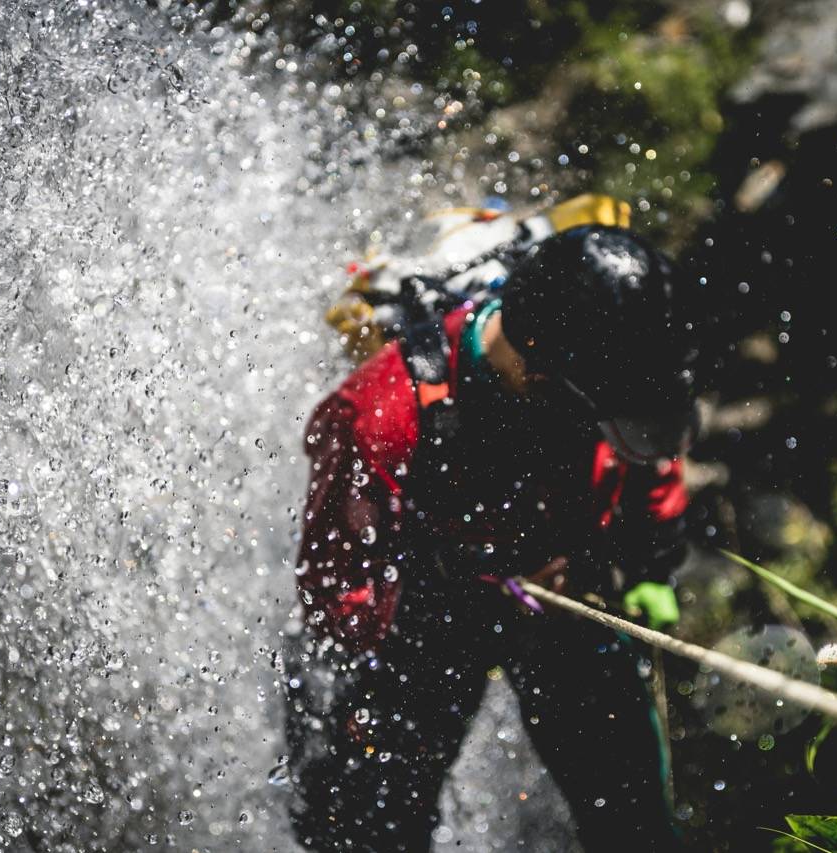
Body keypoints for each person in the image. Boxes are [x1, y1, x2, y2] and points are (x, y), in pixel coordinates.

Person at [286, 225, 704, 852]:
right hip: (424, 626)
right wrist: (460, 588)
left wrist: (650, 565)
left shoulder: (608, 373)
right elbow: (338, 587)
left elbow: (649, 461)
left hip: (568, 599)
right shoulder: (381, 413)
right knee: (373, 830)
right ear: (534, 363)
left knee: (634, 823)